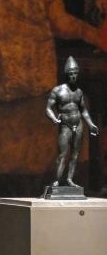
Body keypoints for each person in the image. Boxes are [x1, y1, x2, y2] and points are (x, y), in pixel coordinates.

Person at [46, 56, 99, 188]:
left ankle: (69, 179)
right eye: (71, 74)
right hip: (65, 125)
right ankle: (57, 180)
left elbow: (84, 110)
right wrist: (53, 118)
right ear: (66, 74)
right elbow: (48, 108)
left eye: (75, 73)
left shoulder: (79, 92)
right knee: (63, 154)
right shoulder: (58, 90)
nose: (73, 76)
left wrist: (91, 124)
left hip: (78, 124)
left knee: (75, 154)